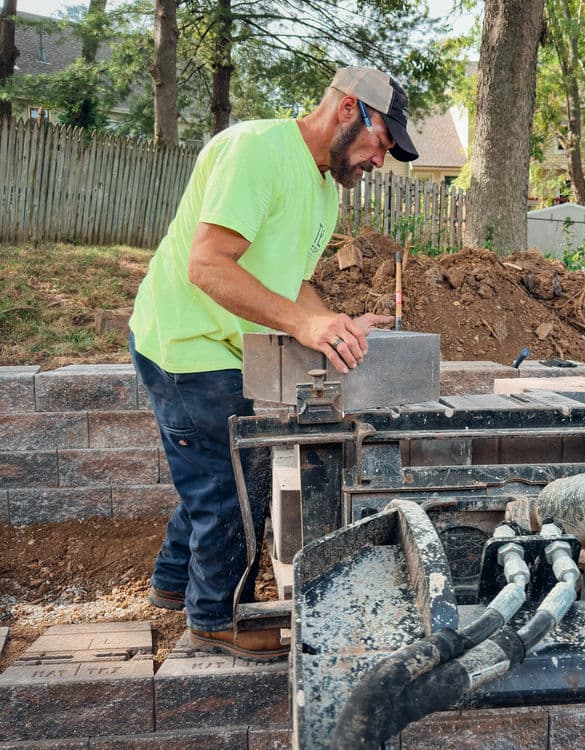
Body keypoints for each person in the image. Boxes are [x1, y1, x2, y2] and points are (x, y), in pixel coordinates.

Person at [128, 66, 417, 660]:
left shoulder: (322, 191)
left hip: (223, 346)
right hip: (185, 343)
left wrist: (331, 325)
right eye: (381, 143)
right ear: (346, 111)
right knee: (233, 487)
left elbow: (295, 287)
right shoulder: (256, 150)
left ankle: (170, 580)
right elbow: (207, 266)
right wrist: (304, 325)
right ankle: (214, 617)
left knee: (212, 471)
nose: (379, 162)